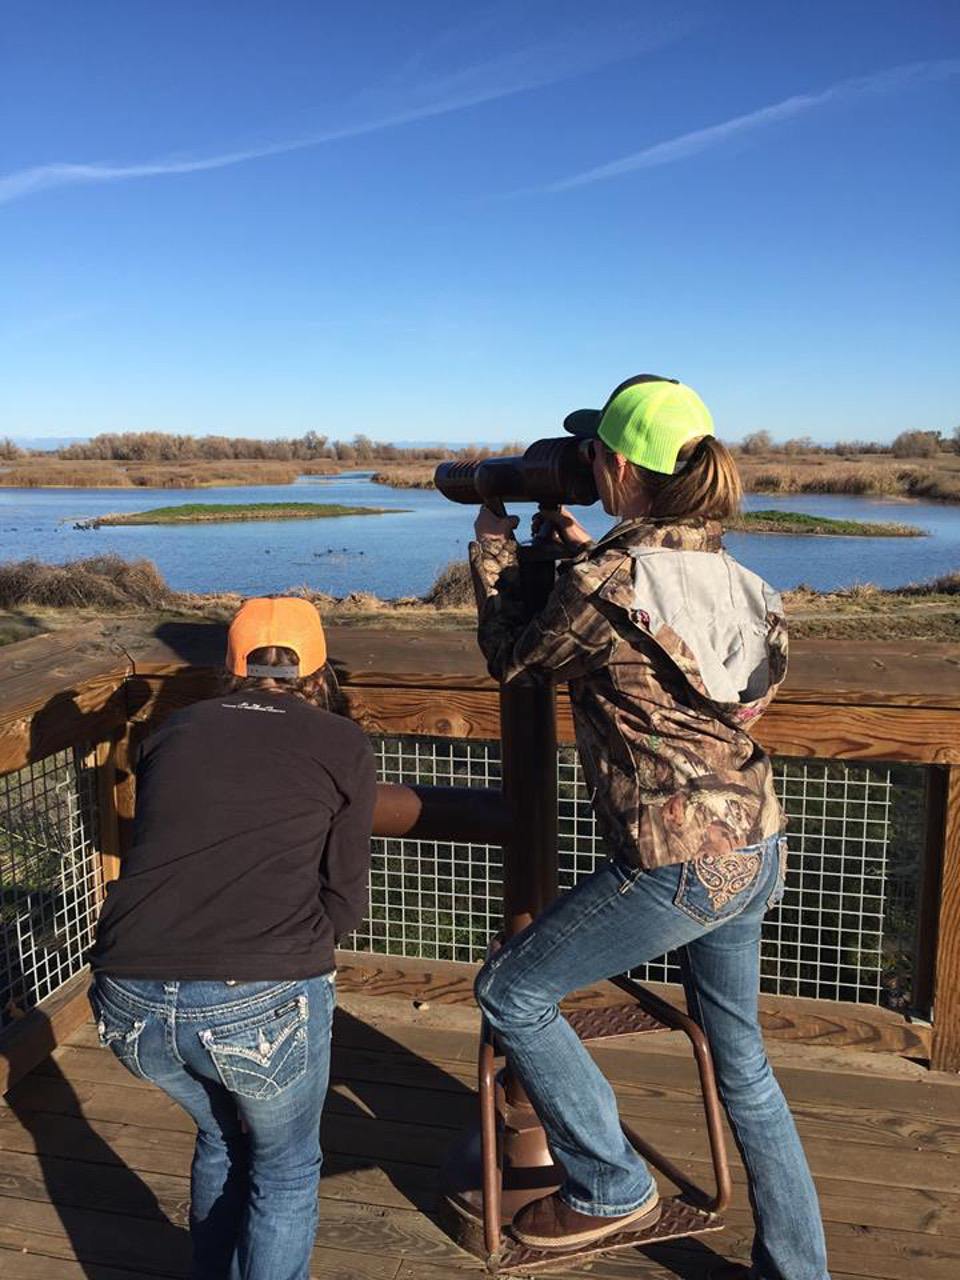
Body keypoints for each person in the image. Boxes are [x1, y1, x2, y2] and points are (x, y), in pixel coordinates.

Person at [470, 375, 829, 1280]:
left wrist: (494, 555)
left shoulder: (605, 583)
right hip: (759, 842)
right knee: (742, 1064)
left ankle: (609, 1185)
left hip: (676, 862)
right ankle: (801, 1269)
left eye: (592, 454)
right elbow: (669, 639)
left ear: (618, 464)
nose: (585, 465)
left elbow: (515, 660)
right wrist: (590, 551)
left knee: (511, 992)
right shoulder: (743, 581)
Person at [88, 597, 377, 1280]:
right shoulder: (343, 744)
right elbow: (345, 897)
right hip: (258, 996)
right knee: (285, 1166)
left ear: (231, 664)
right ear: (317, 670)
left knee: (222, 1132)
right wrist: (294, 958)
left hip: (126, 993)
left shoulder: (170, 730)